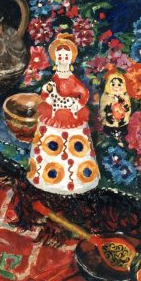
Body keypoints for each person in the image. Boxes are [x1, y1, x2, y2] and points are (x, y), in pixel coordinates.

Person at [28, 33, 100, 194]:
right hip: (54, 113)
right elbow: (46, 93)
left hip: (70, 114)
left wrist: (76, 104)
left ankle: (75, 180)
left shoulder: (72, 78)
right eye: (60, 56)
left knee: (75, 144)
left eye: (66, 56)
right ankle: (47, 176)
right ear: (56, 58)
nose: (63, 58)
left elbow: (84, 93)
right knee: (50, 141)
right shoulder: (55, 78)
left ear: (71, 58)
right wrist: (48, 96)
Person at [99, 71, 131, 143]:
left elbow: (128, 110)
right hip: (109, 124)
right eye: (113, 84)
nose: (116, 87)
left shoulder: (125, 96)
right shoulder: (106, 97)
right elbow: (102, 110)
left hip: (122, 125)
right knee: (110, 138)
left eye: (119, 85)